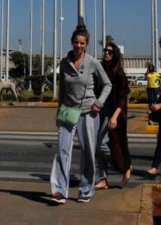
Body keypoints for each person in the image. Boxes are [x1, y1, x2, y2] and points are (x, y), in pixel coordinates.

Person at [50, 25, 112, 204]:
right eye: (76, 42)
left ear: (86, 44)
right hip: (68, 113)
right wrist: (58, 112)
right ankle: (60, 191)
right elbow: (62, 89)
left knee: (87, 152)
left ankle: (86, 190)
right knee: (62, 151)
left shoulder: (92, 62)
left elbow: (107, 84)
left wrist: (99, 103)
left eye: (82, 43)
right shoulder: (64, 63)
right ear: (72, 43)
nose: (78, 45)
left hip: (88, 114)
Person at [95, 43, 133, 189]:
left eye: (110, 52)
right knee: (98, 147)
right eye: (105, 51)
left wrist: (115, 116)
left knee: (101, 144)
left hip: (112, 111)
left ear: (115, 54)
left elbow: (123, 97)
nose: (106, 53)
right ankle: (103, 179)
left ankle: (125, 166)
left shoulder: (118, 73)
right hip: (99, 110)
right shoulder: (101, 69)